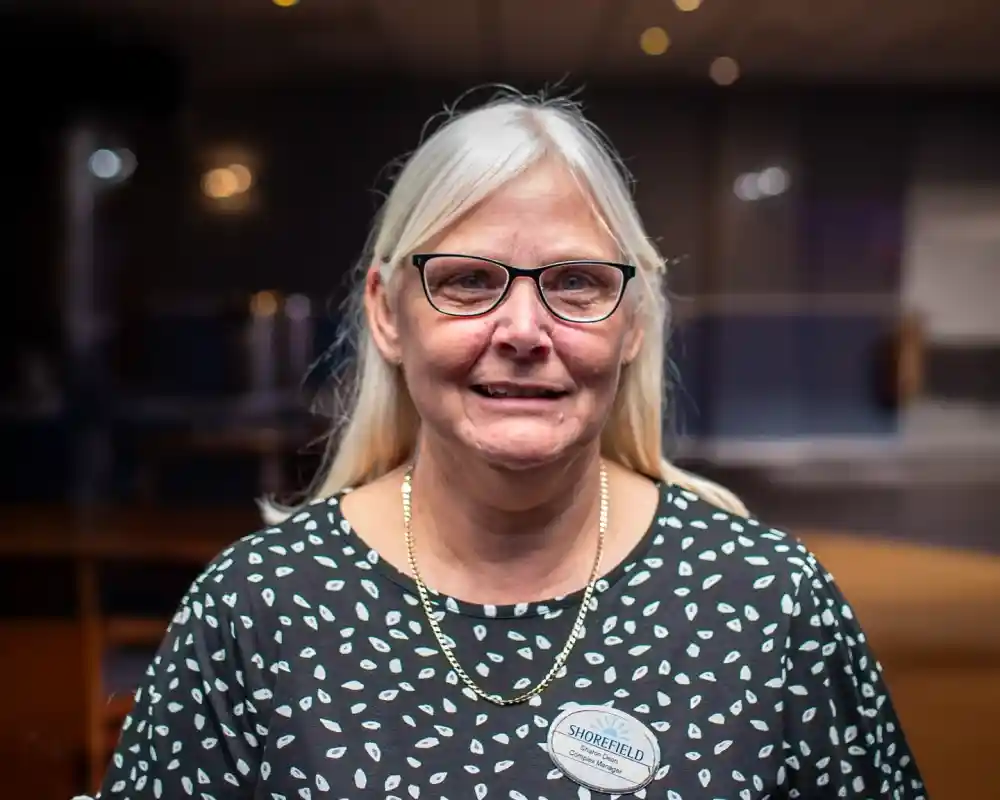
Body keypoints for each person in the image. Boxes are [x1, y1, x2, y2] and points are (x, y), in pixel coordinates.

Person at [78, 90, 926, 799]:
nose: (524, 330)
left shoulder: (768, 604)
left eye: (576, 283)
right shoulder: (257, 608)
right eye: (469, 281)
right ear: (385, 311)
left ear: (631, 321)